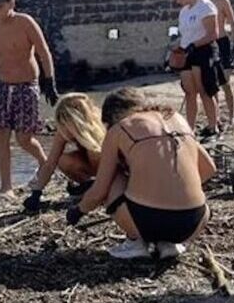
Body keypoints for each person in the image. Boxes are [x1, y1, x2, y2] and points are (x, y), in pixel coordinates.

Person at [66, 87, 215, 260]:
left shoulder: (120, 129)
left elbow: (100, 190)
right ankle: (169, 244)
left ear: (113, 117)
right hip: (193, 222)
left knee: (115, 176)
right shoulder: (176, 118)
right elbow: (209, 169)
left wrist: (77, 211)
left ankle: (135, 243)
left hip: (147, 222)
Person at [0, 0, 59, 198]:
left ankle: (46, 165)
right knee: (0, 135)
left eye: (0, 8)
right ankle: (6, 187)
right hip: (2, 86)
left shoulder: (25, 22)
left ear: (11, 2)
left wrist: (50, 81)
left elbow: (43, 52)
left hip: (26, 85)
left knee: (24, 138)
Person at [22, 93, 106, 212]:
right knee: (63, 160)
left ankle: (101, 187)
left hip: (112, 168)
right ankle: (88, 185)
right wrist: (37, 192)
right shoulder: (63, 131)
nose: (64, 129)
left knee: (94, 152)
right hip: (94, 168)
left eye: (67, 123)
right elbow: (50, 163)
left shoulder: (103, 123)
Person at [170, 0, 226, 140]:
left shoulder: (205, 6)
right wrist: (178, 50)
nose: (177, 1)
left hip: (203, 51)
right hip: (188, 52)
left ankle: (212, 126)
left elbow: (213, 34)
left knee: (204, 91)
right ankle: (189, 128)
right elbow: (185, 35)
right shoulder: (184, 12)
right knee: (189, 92)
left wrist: (194, 45)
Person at [197, 0, 234, 127]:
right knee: (212, 83)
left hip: (223, 43)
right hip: (209, 45)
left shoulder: (221, 1)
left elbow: (233, 23)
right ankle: (216, 118)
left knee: (226, 83)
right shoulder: (195, 8)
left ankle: (232, 116)